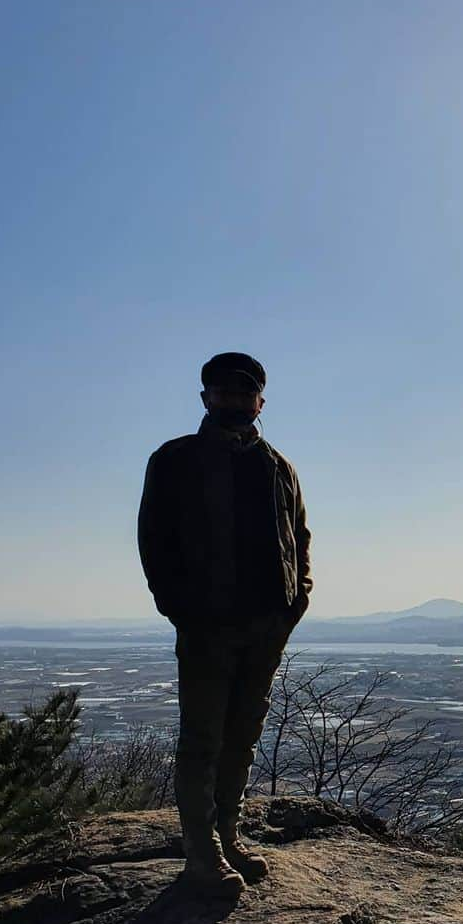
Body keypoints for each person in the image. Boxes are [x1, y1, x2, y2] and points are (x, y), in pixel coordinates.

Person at [137, 352, 312, 896]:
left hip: (266, 624)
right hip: (208, 624)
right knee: (203, 738)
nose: (235, 400)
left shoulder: (278, 466)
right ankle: (201, 854)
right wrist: (181, 609)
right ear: (205, 397)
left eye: (245, 392)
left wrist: (295, 602)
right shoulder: (176, 459)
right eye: (223, 391)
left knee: (242, 736)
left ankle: (229, 835)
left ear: (261, 400)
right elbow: (154, 542)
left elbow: (299, 538)